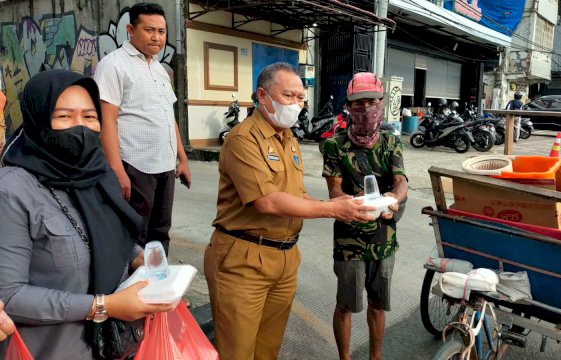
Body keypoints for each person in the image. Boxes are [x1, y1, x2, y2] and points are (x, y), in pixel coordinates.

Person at [204, 62, 376, 360]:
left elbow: (297, 195)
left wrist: (339, 204)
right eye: (288, 96)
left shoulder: (289, 140)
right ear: (262, 95)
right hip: (243, 261)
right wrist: (333, 210)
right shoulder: (243, 139)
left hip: (284, 261)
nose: (296, 104)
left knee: (267, 351)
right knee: (236, 352)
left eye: (300, 98)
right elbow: (267, 201)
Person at [0, 70, 176, 359]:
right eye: (64, 117)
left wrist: (136, 257)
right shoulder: (12, 191)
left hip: (116, 345)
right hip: (51, 350)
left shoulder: (98, 174)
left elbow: (107, 232)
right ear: (39, 119)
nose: (80, 128)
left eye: (90, 117)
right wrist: (103, 306)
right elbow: (10, 296)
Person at [322, 72, 408, 360]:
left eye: (370, 102)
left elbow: (401, 181)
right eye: (357, 105)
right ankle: (344, 357)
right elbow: (334, 190)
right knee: (346, 304)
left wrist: (392, 199)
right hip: (349, 236)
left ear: (381, 104)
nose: (365, 110)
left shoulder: (391, 142)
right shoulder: (335, 145)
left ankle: (376, 356)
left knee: (378, 303)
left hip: (384, 235)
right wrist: (351, 204)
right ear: (348, 107)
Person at [94, 2, 190, 255]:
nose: (157, 37)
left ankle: (158, 287)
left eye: (161, 31)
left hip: (164, 165)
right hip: (135, 165)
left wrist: (182, 158)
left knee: (160, 231)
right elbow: (107, 121)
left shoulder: (159, 69)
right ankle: (131, 290)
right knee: (135, 233)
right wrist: (117, 169)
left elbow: (168, 116)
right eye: (149, 30)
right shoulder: (114, 65)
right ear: (130, 29)